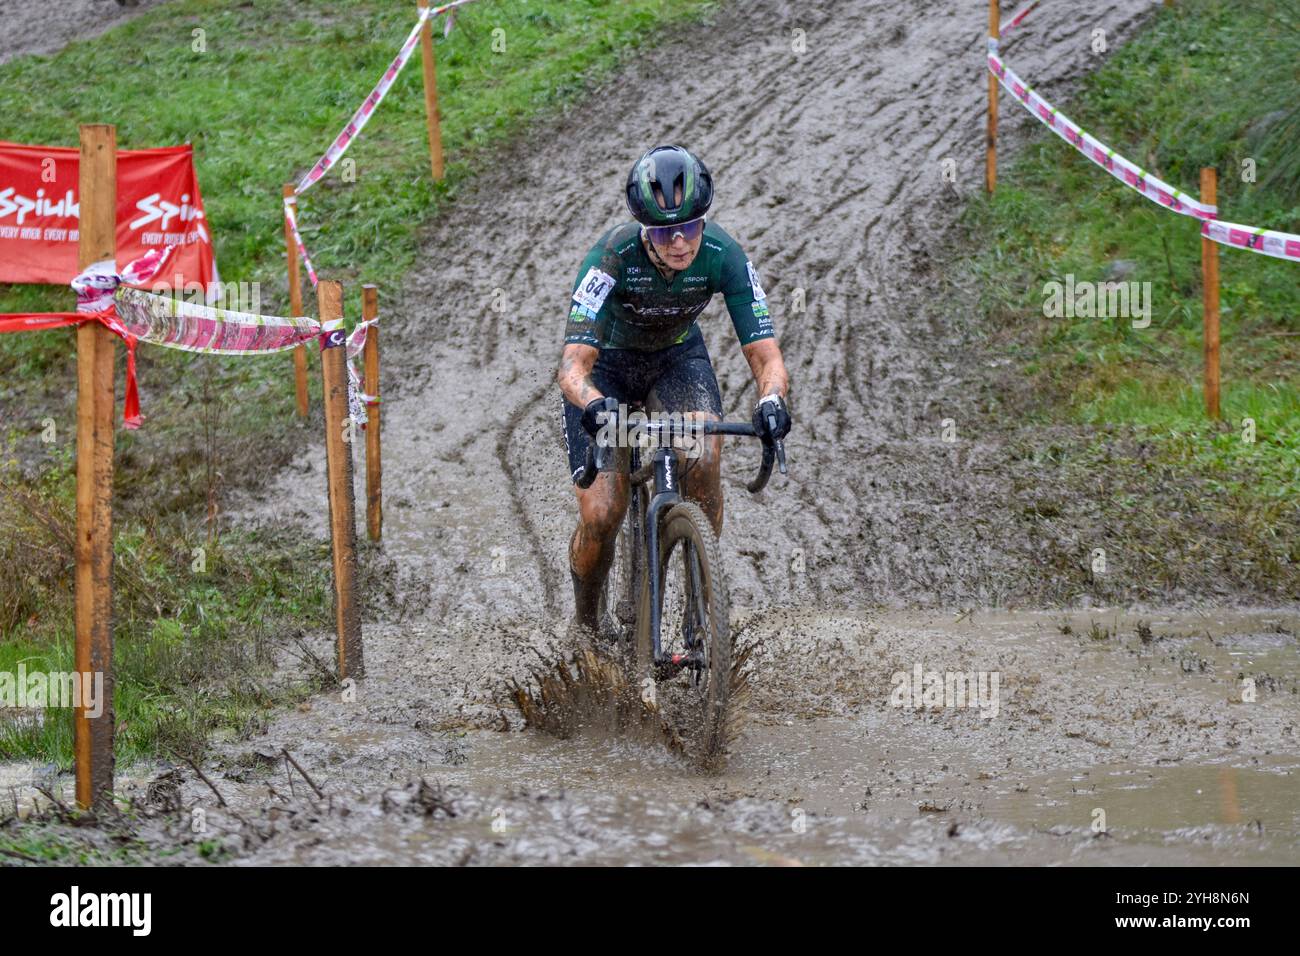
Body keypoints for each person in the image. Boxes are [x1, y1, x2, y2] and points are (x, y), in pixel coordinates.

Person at [555, 144, 792, 639]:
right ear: (645, 229)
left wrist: (771, 399)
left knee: (703, 457)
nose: (680, 241)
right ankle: (586, 626)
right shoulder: (610, 257)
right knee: (603, 513)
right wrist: (594, 403)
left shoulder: (723, 255)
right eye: (664, 231)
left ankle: (701, 608)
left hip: (676, 362)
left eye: (691, 226)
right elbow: (573, 368)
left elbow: (766, 357)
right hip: (610, 373)